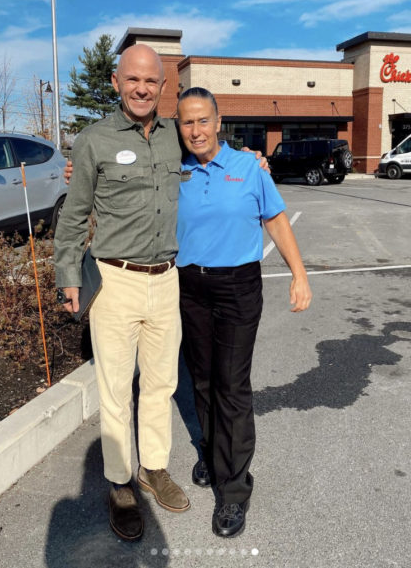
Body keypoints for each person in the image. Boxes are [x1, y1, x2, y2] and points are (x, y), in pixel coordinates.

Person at [54, 44, 269, 542]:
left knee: (159, 386)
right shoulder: (93, 140)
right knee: (114, 390)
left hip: (168, 280)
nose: (142, 89)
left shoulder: (177, 134)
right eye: (133, 80)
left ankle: (154, 468)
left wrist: (253, 158)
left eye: (151, 81)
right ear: (116, 82)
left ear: (163, 87)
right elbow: (73, 212)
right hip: (115, 280)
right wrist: (68, 275)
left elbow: (215, 147)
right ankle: (121, 485)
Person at [174, 87, 312, 538]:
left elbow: (274, 219)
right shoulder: (175, 170)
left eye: (202, 121)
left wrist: (299, 274)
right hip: (189, 285)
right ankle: (214, 454)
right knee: (201, 378)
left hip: (236, 286)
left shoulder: (249, 167)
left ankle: (234, 490)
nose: (195, 131)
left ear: (218, 122)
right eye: (186, 122)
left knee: (231, 385)